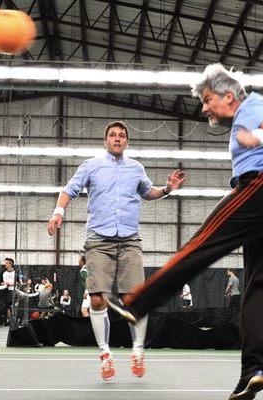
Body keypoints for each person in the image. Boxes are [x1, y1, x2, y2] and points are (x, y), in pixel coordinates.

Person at [107, 64, 263, 400]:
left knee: (203, 243)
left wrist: (258, 137)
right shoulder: (253, 110)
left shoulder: (253, 107)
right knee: (258, 285)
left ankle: (140, 302)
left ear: (228, 96)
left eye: (207, 100)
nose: (203, 108)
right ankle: (254, 371)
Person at [47, 120, 186, 381]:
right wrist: (58, 213)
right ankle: (105, 355)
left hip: (130, 241)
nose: (117, 138)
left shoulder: (136, 169)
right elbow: (69, 190)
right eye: (113, 135)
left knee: (136, 300)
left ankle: (137, 350)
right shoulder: (91, 166)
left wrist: (167, 190)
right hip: (99, 241)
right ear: (106, 141)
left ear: (127, 142)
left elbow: (148, 192)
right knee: (98, 300)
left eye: (122, 135)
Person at [2, 258, 16, 324]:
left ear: (11, 264)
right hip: (6, 291)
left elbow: (18, 282)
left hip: (13, 291)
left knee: (13, 306)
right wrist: (4, 284)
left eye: (7, 263)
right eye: (5, 263)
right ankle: (9, 320)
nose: (5, 264)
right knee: (7, 306)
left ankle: (14, 319)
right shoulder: (3, 273)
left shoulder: (15, 273)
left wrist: (10, 284)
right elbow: (1, 282)